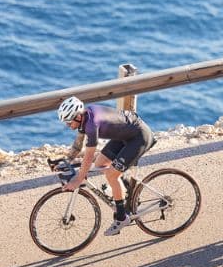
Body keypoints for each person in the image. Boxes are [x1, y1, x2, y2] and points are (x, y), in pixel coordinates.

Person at [56, 95, 154, 235]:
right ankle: (126, 188)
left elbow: (88, 156)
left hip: (139, 137)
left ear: (77, 116)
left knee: (111, 175)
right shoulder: (84, 119)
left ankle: (121, 217)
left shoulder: (92, 124)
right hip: (125, 135)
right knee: (100, 163)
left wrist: (78, 179)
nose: (67, 125)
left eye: (68, 122)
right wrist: (65, 161)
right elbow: (78, 146)